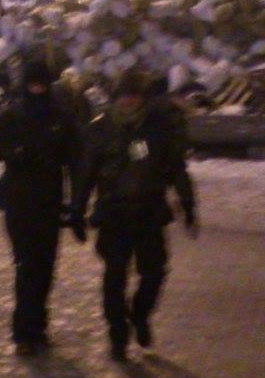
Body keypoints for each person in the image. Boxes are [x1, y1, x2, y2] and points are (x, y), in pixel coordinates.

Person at [71, 68, 197, 361]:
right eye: (124, 96)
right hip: (114, 215)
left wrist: (188, 203)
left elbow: (177, 168)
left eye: (135, 96)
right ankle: (117, 332)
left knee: (154, 273)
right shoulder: (99, 128)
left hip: (149, 214)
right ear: (116, 97)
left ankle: (140, 315)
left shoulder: (157, 129)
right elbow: (85, 174)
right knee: (114, 278)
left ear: (143, 99)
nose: (129, 101)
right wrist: (77, 210)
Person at [0, 58, 81, 355]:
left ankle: (37, 327)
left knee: (45, 267)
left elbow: (76, 160)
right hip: (20, 202)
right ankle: (24, 332)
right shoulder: (12, 115)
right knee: (26, 266)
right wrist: (14, 152)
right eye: (32, 82)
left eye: (41, 83)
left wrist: (76, 202)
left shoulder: (60, 118)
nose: (37, 88)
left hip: (48, 202)